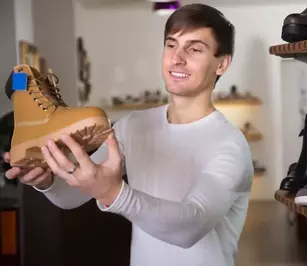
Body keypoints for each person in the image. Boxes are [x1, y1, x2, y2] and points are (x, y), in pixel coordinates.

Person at [4, 3, 254, 266]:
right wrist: (46, 182)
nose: (177, 58)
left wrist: (114, 193)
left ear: (222, 64)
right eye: (171, 45)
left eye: (194, 49)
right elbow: (70, 196)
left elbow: (190, 226)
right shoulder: (133, 126)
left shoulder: (229, 145)